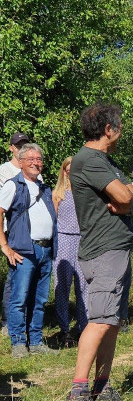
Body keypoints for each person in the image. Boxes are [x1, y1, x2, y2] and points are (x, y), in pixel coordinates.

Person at [65, 104, 133, 401]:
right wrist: (125, 201)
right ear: (108, 129)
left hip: (117, 249)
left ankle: (102, 385)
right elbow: (126, 197)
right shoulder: (89, 160)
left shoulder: (106, 161)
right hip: (103, 250)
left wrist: (126, 203)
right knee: (99, 321)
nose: (121, 131)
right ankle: (78, 392)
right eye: (119, 126)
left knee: (112, 322)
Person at [0, 143, 58, 358]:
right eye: (31, 159)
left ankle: (35, 341)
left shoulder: (44, 188)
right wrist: (5, 246)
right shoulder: (13, 186)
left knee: (40, 299)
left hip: (45, 250)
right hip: (24, 250)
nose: (36, 162)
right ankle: (17, 343)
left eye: (39, 159)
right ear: (21, 162)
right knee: (20, 298)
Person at [52, 157, 88, 345]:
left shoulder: (84, 192)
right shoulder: (58, 193)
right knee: (63, 286)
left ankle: (83, 326)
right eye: (68, 169)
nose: (71, 172)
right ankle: (64, 329)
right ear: (64, 172)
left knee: (83, 285)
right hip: (64, 239)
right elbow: (53, 220)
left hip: (82, 240)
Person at [0, 132, 30, 336]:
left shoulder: (33, 168)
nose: (21, 148)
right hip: (7, 228)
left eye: (25, 144)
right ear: (11, 148)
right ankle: (7, 320)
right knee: (13, 274)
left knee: (24, 274)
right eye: (18, 145)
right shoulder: (4, 171)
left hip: (27, 230)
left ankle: (22, 319)